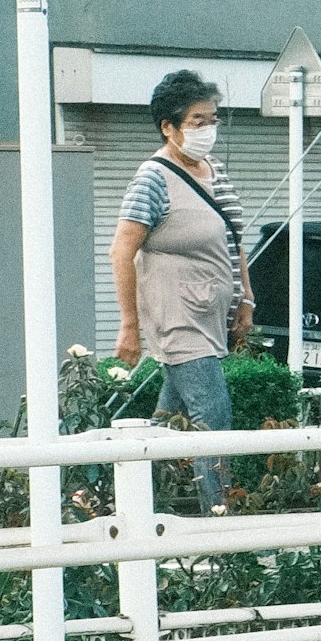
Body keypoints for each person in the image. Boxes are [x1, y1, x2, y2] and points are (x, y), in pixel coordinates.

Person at [110, 68, 253, 508]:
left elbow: (233, 238)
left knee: (168, 422)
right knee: (213, 417)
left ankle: (128, 500)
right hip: (176, 316)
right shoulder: (153, 177)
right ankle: (219, 517)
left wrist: (245, 297)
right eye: (197, 121)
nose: (208, 129)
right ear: (168, 127)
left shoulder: (215, 169)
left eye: (212, 119)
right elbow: (121, 250)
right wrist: (129, 325)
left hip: (210, 313)